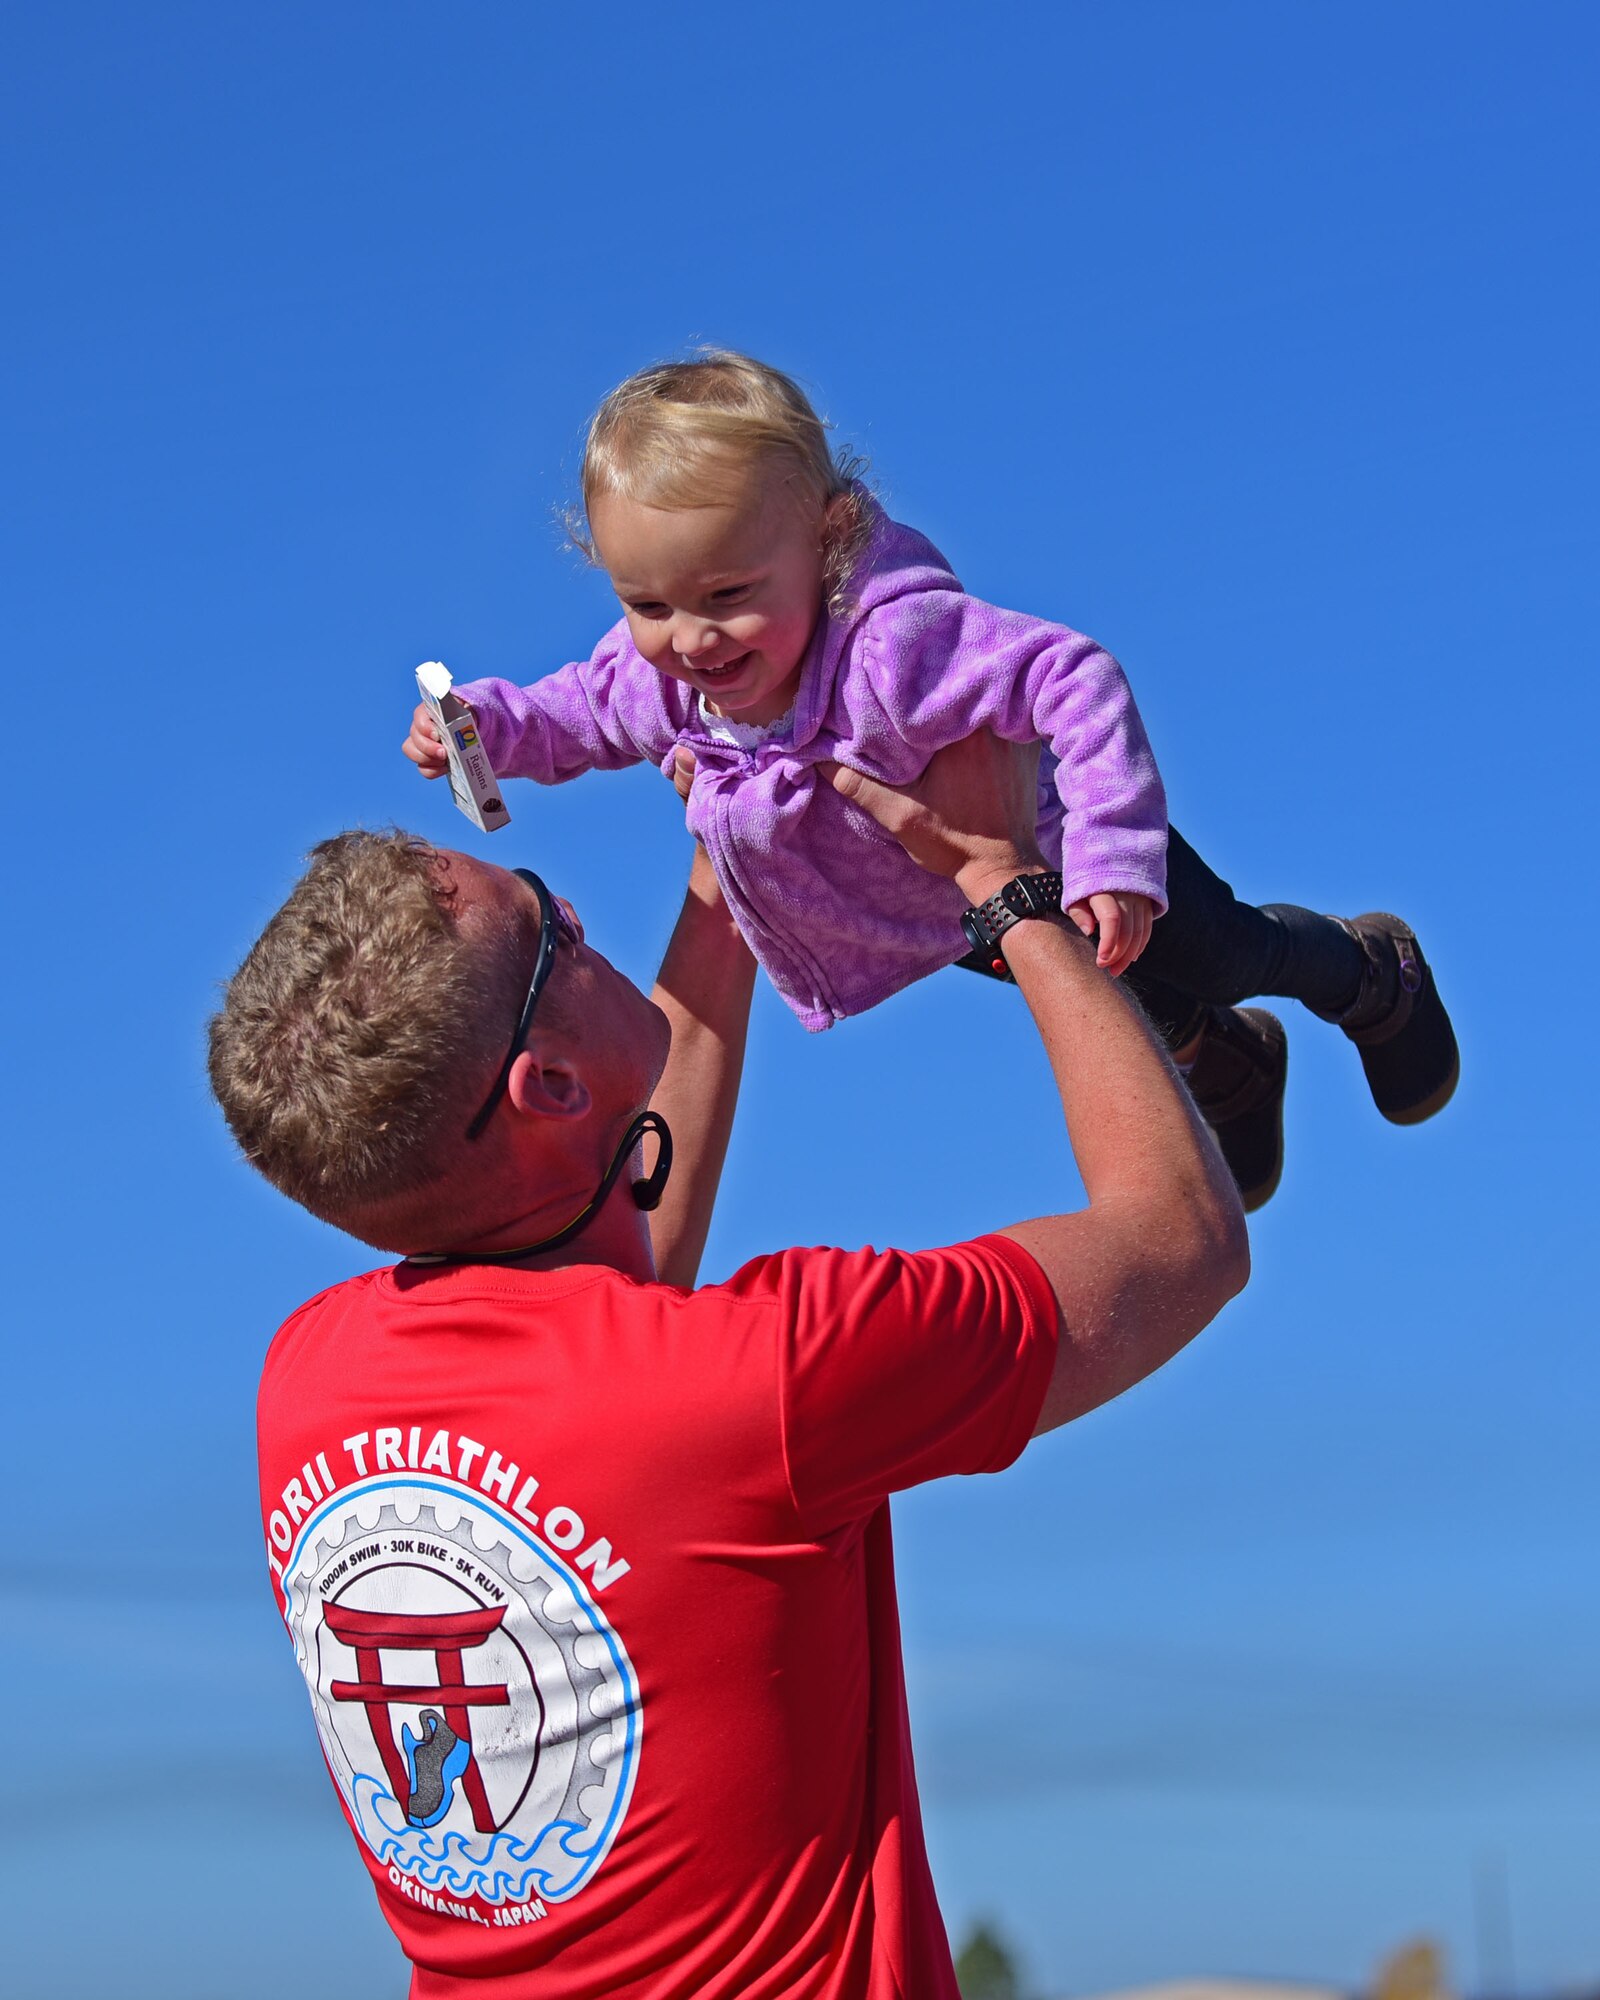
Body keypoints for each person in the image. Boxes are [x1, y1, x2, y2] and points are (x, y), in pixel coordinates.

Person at [210, 731, 1249, 2000]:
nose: (582, 911)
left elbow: (619, 1278)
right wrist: (1008, 889)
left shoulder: (309, 1382)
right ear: (543, 1084)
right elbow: (1180, 1238)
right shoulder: (769, 1377)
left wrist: (723, 878)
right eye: (558, 928)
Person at [403, 351, 1458, 1211]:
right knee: (1109, 996)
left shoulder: (896, 644)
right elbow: (575, 711)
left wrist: (1112, 848)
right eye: (649, 602)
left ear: (822, 542)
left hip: (1055, 839)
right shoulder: (664, 672)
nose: (688, 637)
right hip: (933, 905)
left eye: (727, 592)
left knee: (1217, 949)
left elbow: (1071, 675)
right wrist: (480, 730)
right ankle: (1227, 1059)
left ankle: (1366, 971)